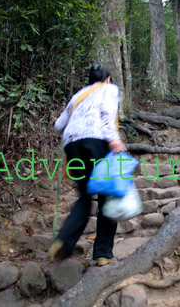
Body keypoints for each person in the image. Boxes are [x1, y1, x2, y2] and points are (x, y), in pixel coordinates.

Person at [49, 66, 127, 267]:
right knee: (108, 196)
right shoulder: (109, 89)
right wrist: (115, 139)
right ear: (107, 79)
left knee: (85, 197)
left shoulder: (78, 95)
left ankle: (63, 241)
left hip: (72, 144)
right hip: (96, 141)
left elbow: (58, 126)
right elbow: (107, 114)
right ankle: (103, 253)